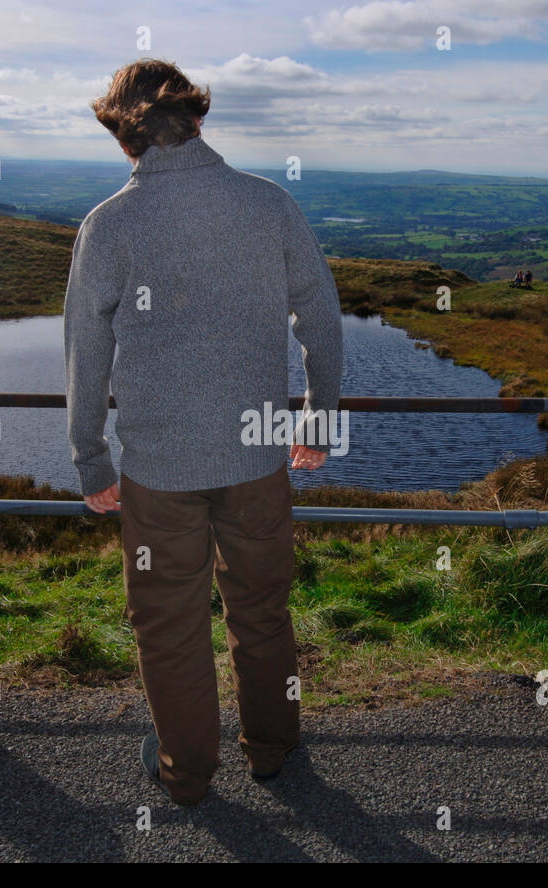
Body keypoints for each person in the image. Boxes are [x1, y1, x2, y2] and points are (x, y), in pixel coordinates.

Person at [64, 59, 344, 805]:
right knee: (262, 609)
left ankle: (186, 772)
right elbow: (320, 317)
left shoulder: (109, 225)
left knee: (169, 625)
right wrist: (316, 417)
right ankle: (273, 749)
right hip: (256, 456)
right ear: (198, 119)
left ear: (127, 136)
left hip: (158, 468)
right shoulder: (269, 205)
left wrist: (91, 458)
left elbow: (86, 355)